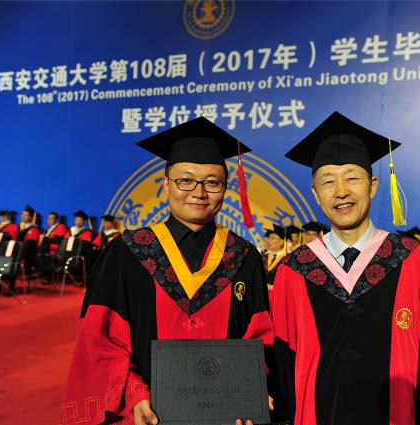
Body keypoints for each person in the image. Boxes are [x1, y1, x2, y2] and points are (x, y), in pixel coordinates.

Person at [61, 117, 273, 425]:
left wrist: (250, 388)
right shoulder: (128, 253)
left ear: (225, 189)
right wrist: (134, 394)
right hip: (148, 413)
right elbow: (100, 339)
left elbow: (260, 337)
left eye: (212, 182)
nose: (199, 192)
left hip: (225, 416)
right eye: (185, 180)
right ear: (166, 185)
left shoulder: (243, 257)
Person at [272, 111, 420, 425]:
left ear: (373, 186)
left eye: (352, 178)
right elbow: (283, 364)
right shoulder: (294, 270)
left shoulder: (414, 259)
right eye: (328, 181)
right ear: (316, 195)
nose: (341, 191)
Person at [263, 224, 286, 289]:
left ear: (281, 242)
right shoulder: (263, 257)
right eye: (269, 238)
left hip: (278, 292)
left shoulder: (288, 259)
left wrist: (274, 287)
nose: (269, 241)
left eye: (273, 238)